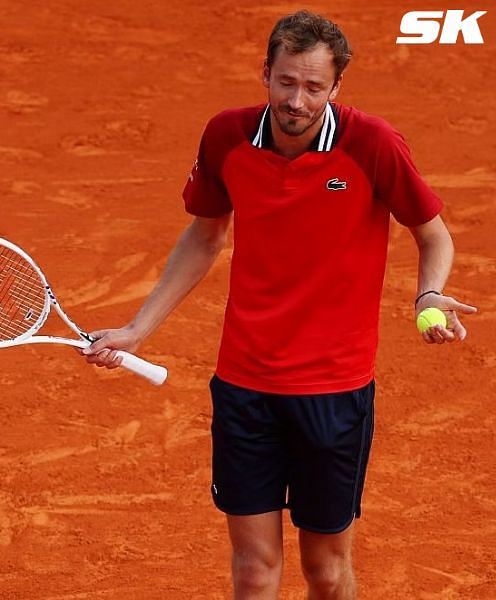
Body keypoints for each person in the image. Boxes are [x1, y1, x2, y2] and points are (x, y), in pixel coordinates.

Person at [81, 10, 476, 600]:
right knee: (254, 569)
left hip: (334, 390)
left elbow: (433, 233)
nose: (298, 100)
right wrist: (138, 330)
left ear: (336, 87)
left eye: (315, 87)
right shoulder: (226, 136)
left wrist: (429, 293)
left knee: (325, 568)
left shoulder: (373, 143)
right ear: (265, 72)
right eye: (286, 82)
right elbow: (204, 235)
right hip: (246, 385)